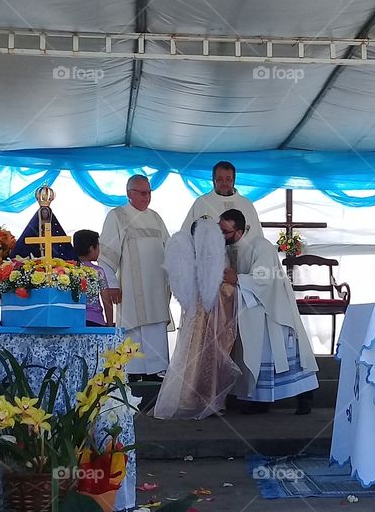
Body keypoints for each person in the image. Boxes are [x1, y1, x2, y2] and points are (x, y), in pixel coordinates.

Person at [219, 210, 318, 414]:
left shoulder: (260, 246)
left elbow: (264, 280)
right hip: (252, 310)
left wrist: (237, 279)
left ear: (239, 230)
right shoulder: (231, 248)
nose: (222, 236)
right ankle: (261, 401)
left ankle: (304, 398)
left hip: (273, 309)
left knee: (281, 355)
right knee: (259, 355)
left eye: (225, 232)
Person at [154, 219, 241, 420]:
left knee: (193, 356)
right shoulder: (216, 255)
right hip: (211, 315)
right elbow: (224, 286)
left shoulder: (189, 254)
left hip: (195, 315)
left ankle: (189, 398)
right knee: (210, 356)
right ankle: (206, 400)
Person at [98, 175, 172, 381]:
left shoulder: (156, 218)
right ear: (129, 193)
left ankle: (156, 373)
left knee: (155, 327)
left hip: (157, 287)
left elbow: (170, 249)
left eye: (149, 192)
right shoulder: (117, 216)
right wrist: (111, 285)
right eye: (142, 192)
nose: (147, 197)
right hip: (131, 290)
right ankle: (133, 372)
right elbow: (106, 256)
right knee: (134, 328)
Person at [181, 161, 263, 239]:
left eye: (228, 179)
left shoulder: (246, 204)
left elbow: (257, 237)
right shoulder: (202, 202)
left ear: (234, 180)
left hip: (243, 253)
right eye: (219, 179)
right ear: (213, 180)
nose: (224, 183)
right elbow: (185, 236)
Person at [73, 229, 114, 327]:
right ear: (91, 249)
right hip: (95, 320)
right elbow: (106, 300)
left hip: (73, 320)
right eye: (98, 246)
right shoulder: (98, 271)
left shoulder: (69, 270)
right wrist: (109, 324)